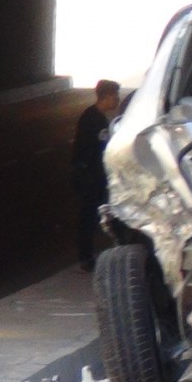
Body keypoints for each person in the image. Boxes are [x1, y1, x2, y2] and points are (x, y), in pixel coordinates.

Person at [72, 79, 121, 271]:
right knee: (89, 217)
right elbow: (94, 150)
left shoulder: (97, 118)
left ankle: (94, 254)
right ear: (107, 97)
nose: (117, 100)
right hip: (90, 177)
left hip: (95, 176)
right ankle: (85, 257)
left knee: (100, 216)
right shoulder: (93, 120)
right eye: (115, 96)